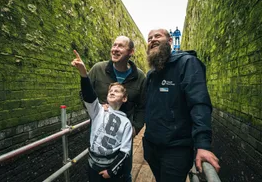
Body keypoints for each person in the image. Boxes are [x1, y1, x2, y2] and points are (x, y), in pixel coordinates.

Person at [143, 29, 220, 182]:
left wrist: (203, 145)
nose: (152, 40)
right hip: (152, 147)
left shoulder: (187, 63)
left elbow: (199, 103)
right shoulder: (151, 74)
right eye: (149, 38)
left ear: (170, 41)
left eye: (158, 36)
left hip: (176, 149)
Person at [87, 36, 146, 182]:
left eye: (120, 46)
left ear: (131, 52)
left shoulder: (139, 77)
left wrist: (136, 128)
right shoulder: (97, 69)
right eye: (114, 45)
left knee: (124, 170)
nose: (115, 49)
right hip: (100, 131)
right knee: (96, 167)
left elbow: (143, 106)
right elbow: (85, 93)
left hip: (124, 132)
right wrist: (97, 108)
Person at [71, 50, 133, 182]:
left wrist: (111, 171)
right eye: (110, 91)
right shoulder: (98, 111)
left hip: (111, 169)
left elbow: (125, 151)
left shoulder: (126, 122)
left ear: (125, 98)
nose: (112, 92)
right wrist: (83, 73)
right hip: (92, 166)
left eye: (116, 91)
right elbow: (89, 95)